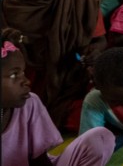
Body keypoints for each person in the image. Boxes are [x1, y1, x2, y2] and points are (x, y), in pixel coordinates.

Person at [1, 0, 106, 129]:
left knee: (100, 105)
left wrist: (94, 52)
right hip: (26, 82)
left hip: (71, 77)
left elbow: (100, 40)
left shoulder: (82, 2)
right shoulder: (7, 9)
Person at [2, 32, 115, 166]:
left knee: (101, 138)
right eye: (14, 75)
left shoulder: (30, 103)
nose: (26, 81)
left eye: (23, 72)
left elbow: (39, 159)